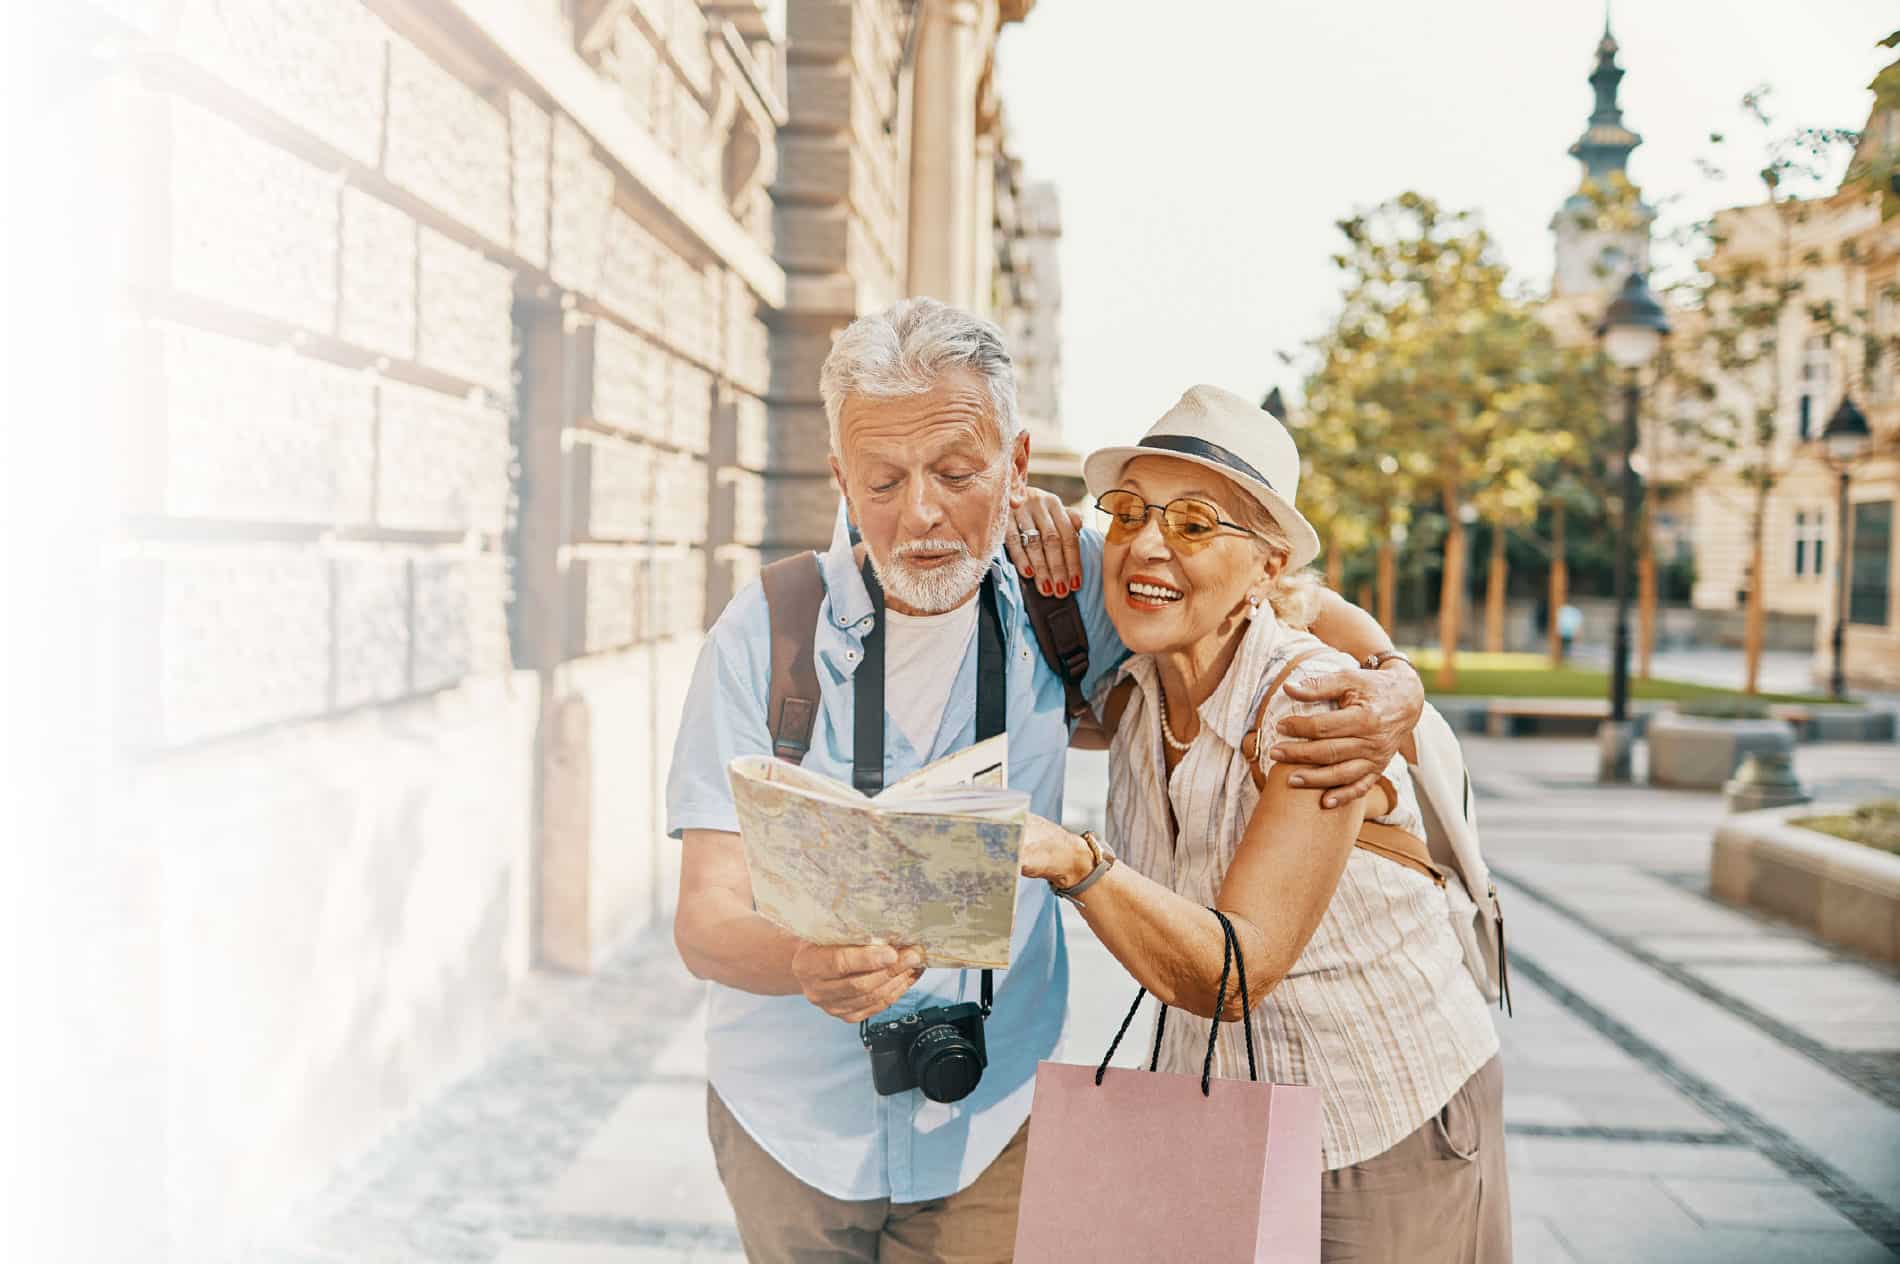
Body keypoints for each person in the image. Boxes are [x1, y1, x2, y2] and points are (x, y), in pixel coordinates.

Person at [666, 301, 1427, 1263]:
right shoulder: (765, 630)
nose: (923, 514)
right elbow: (704, 920)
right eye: (884, 481)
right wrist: (803, 966)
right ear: (841, 480)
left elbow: (1270, 590)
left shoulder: (1070, 583)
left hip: (996, 1119)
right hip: (790, 1122)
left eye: (956, 472)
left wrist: (1396, 677)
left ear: (1018, 463)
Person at [1020, 385, 1510, 1263]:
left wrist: (1073, 861)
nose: (1148, 541)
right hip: (1223, 1118)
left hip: (1377, 1121)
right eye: (1127, 512)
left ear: (1268, 566)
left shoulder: (1314, 704)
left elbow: (1235, 970)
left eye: (1198, 523)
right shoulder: (1135, 688)